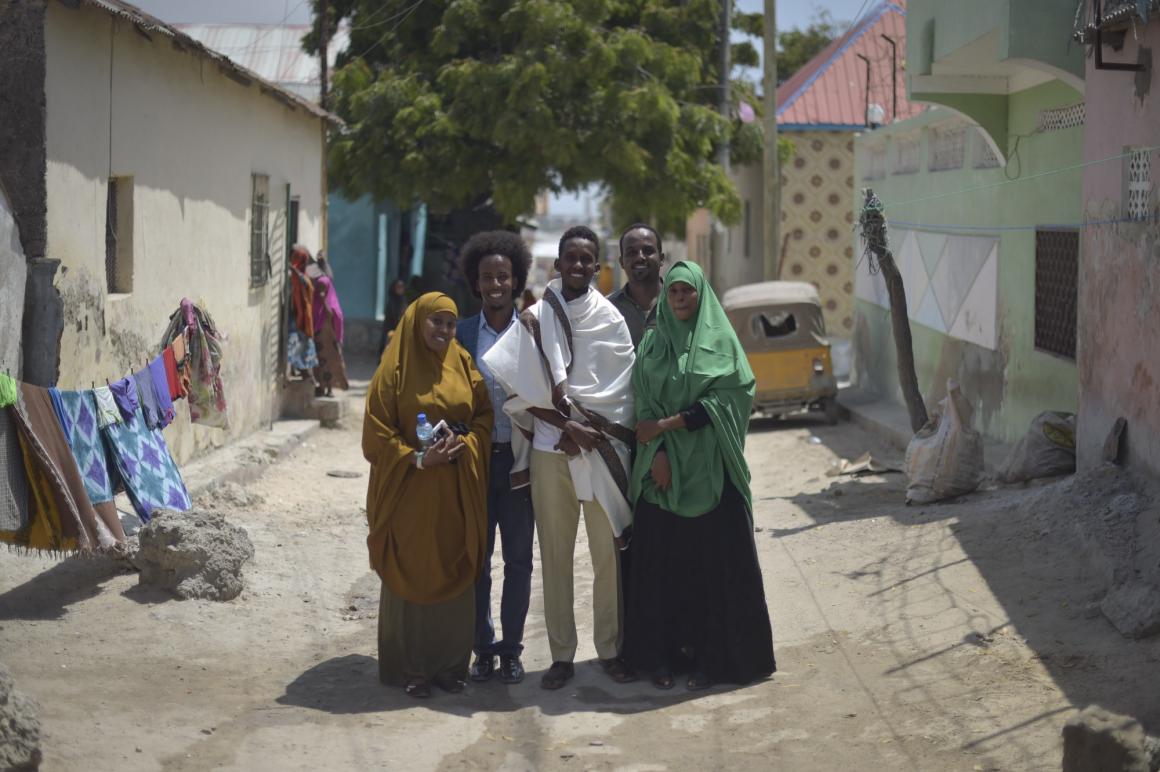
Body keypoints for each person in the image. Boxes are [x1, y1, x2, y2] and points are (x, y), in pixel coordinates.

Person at [482, 225, 637, 690]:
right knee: (555, 556)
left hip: (600, 452)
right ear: (557, 264)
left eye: (586, 259)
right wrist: (565, 425)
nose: (577, 266)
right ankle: (562, 656)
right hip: (551, 455)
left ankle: (609, 650)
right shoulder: (534, 318)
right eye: (569, 258)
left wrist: (589, 432)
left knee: (606, 557)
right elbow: (519, 387)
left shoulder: (611, 319)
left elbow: (622, 395)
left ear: (596, 265)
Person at [622, 261, 776, 691]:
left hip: (711, 470)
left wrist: (666, 428)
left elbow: (731, 396)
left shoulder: (720, 339)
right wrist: (658, 454)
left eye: (687, 291)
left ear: (701, 293)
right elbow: (643, 399)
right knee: (664, 572)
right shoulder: (653, 343)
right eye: (673, 292)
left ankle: (716, 661)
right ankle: (664, 659)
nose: (680, 299)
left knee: (715, 572)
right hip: (663, 476)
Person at [362, 292, 493, 698]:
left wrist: (464, 443)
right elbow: (376, 432)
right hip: (410, 491)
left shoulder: (464, 363)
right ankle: (413, 668)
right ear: (418, 322)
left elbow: (484, 416)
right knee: (412, 568)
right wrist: (418, 459)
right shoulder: (394, 368)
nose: (444, 330)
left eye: (451, 323)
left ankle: (450, 667)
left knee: (454, 568)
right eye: (436, 321)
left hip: (455, 489)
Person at [455, 230, 536, 685]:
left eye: (503, 276)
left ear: (517, 279)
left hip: (521, 463)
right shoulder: (463, 333)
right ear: (477, 282)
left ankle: (512, 649)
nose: (496, 284)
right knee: (477, 560)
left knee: (519, 561)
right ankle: (482, 649)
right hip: (476, 464)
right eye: (487, 277)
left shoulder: (533, 329)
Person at [608, 224, 665, 349]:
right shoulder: (607, 309)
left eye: (648, 251)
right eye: (631, 252)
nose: (640, 257)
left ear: (661, 258)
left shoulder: (680, 302)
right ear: (622, 262)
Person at [312, 273, 350, 396]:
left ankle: (329, 389)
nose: (320, 291)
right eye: (319, 288)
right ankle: (321, 387)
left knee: (329, 364)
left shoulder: (330, 304)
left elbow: (331, 315)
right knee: (320, 364)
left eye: (323, 288)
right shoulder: (316, 302)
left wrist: (323, 300)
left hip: (329, 341)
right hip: (319, 340)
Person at [380, 278, 408, 354]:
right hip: (390, 329)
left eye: (402, 287)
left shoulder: (403, 300)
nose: (400, 289)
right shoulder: (391, 302)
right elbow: (391, 316)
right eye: (398, 287)